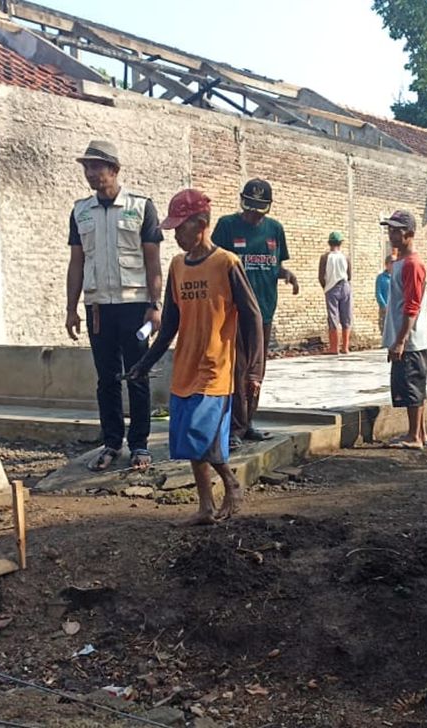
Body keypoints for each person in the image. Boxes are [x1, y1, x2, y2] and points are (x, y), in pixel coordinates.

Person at [125, 189, 264, 526]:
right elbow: (171, 323)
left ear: (201, 224)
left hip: (215, 366)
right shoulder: (177, 266)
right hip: (185, 366)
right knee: (189, 439)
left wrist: (254, 370)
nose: (175, 236)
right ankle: (206, 507)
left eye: (180, 228)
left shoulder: (227, 263)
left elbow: (252, 317)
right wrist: (145, 363)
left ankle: (230, 483)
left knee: (201, 435)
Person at [65, 140, 164, 472]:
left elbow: (153, 262)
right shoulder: (81, 211)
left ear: (114, 170)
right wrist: (70, 307)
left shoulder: (141, 207)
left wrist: (155, 305)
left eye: (97, 167)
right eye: (86, 167)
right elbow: (76, 263)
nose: (90, 173)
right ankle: (111, 442)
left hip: (135, 306)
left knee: (137, 375)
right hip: (98, 308)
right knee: (105, 378)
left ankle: (140, 445)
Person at [211, 178, 299, 449]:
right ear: (242, 202)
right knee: (236, 370)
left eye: (259, 209)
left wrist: (288, 275)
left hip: (265, 311)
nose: (253, 214)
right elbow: (214, 264)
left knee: (255, 372)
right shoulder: (227, 226)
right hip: (236, 312)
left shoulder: (275, 229)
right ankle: (233, 428)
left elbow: (275, 266)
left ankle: (248, 423)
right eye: (250, 208)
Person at [380, 210, 427, 450]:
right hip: (405, 336)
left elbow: (412, 305)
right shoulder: (400, 262)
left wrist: (401, 340)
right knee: (413, 386)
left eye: (397, 230)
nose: (392, 234)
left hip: (410, 339)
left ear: (409, 234)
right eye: (390, 229)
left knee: (411, 387)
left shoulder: (412, 264)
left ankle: (413, 437)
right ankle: (419, 432)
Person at [318, 231, 353, 354]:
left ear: (329, 243)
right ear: (341, 243)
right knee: (346, 316)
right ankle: (345, 347)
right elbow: (349, 275)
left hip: (331, 288)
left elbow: (321, 276)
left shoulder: (325, 257)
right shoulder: (345, 257)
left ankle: (334, 348)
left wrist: (326, 287)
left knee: (333, 317)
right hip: (345, 286)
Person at [375, 254, 394, 334]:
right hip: (385, 307)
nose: (394, 265)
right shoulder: (381, 277)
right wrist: (384, 305)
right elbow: (378, 292)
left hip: (395, 307)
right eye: (392, 262)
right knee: (384, 327)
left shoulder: (396, 276)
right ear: (387, 264)